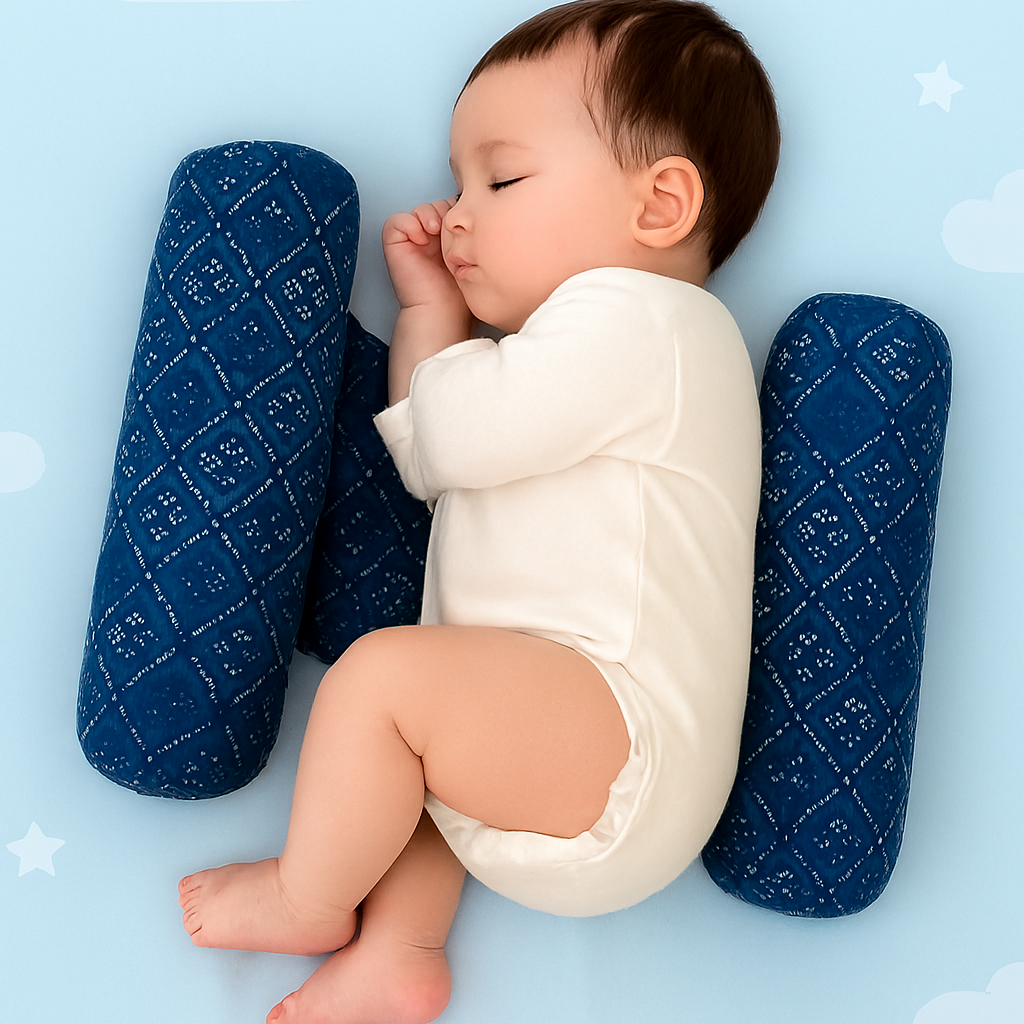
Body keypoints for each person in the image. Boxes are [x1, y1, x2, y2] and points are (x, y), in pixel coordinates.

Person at [177, 1, 780, 1021]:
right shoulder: (582, 351)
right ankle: (400, 948)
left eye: (500, 179)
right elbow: (442, 451)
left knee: (385, 683)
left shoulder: (643, 322)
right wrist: (430, 315)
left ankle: (308, 896)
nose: (458, 213)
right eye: (459, 182)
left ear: (661, 204)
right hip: (556, 757)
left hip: (614, 740)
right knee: (412, 726)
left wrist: (433, 325)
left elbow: (444, 440)